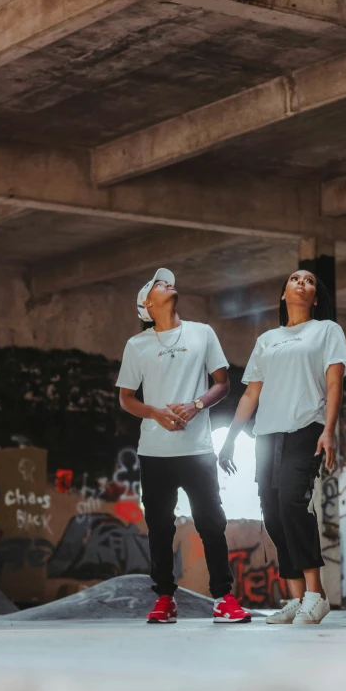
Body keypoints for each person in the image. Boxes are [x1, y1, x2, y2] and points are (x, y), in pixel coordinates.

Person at [116, 267, 251, 624]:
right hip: (154, 452)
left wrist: (197, 405)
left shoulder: (202, 333)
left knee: (211, 522)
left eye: (167, 281)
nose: (167, 284)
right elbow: (126, 398)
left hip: (198, 450)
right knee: (159, 526)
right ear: (147, 304)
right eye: (158, 284)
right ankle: (164, 598)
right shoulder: (137, 345)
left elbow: (222, 383)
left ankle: (224, 598)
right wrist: (154, 413)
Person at [219, 269, 346, 625]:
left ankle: (315, 594)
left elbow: (334, 382)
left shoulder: (327, 331)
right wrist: (230, 438)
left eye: (309, 280)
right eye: (294, 279)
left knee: (293, 502)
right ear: (283, 294)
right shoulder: (267, 340)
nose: (301, 282)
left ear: (316, 297)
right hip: (267, 434)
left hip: (307, 427)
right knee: (274, 514)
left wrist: (330, 430)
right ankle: (295, 598)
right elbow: (251, 393)